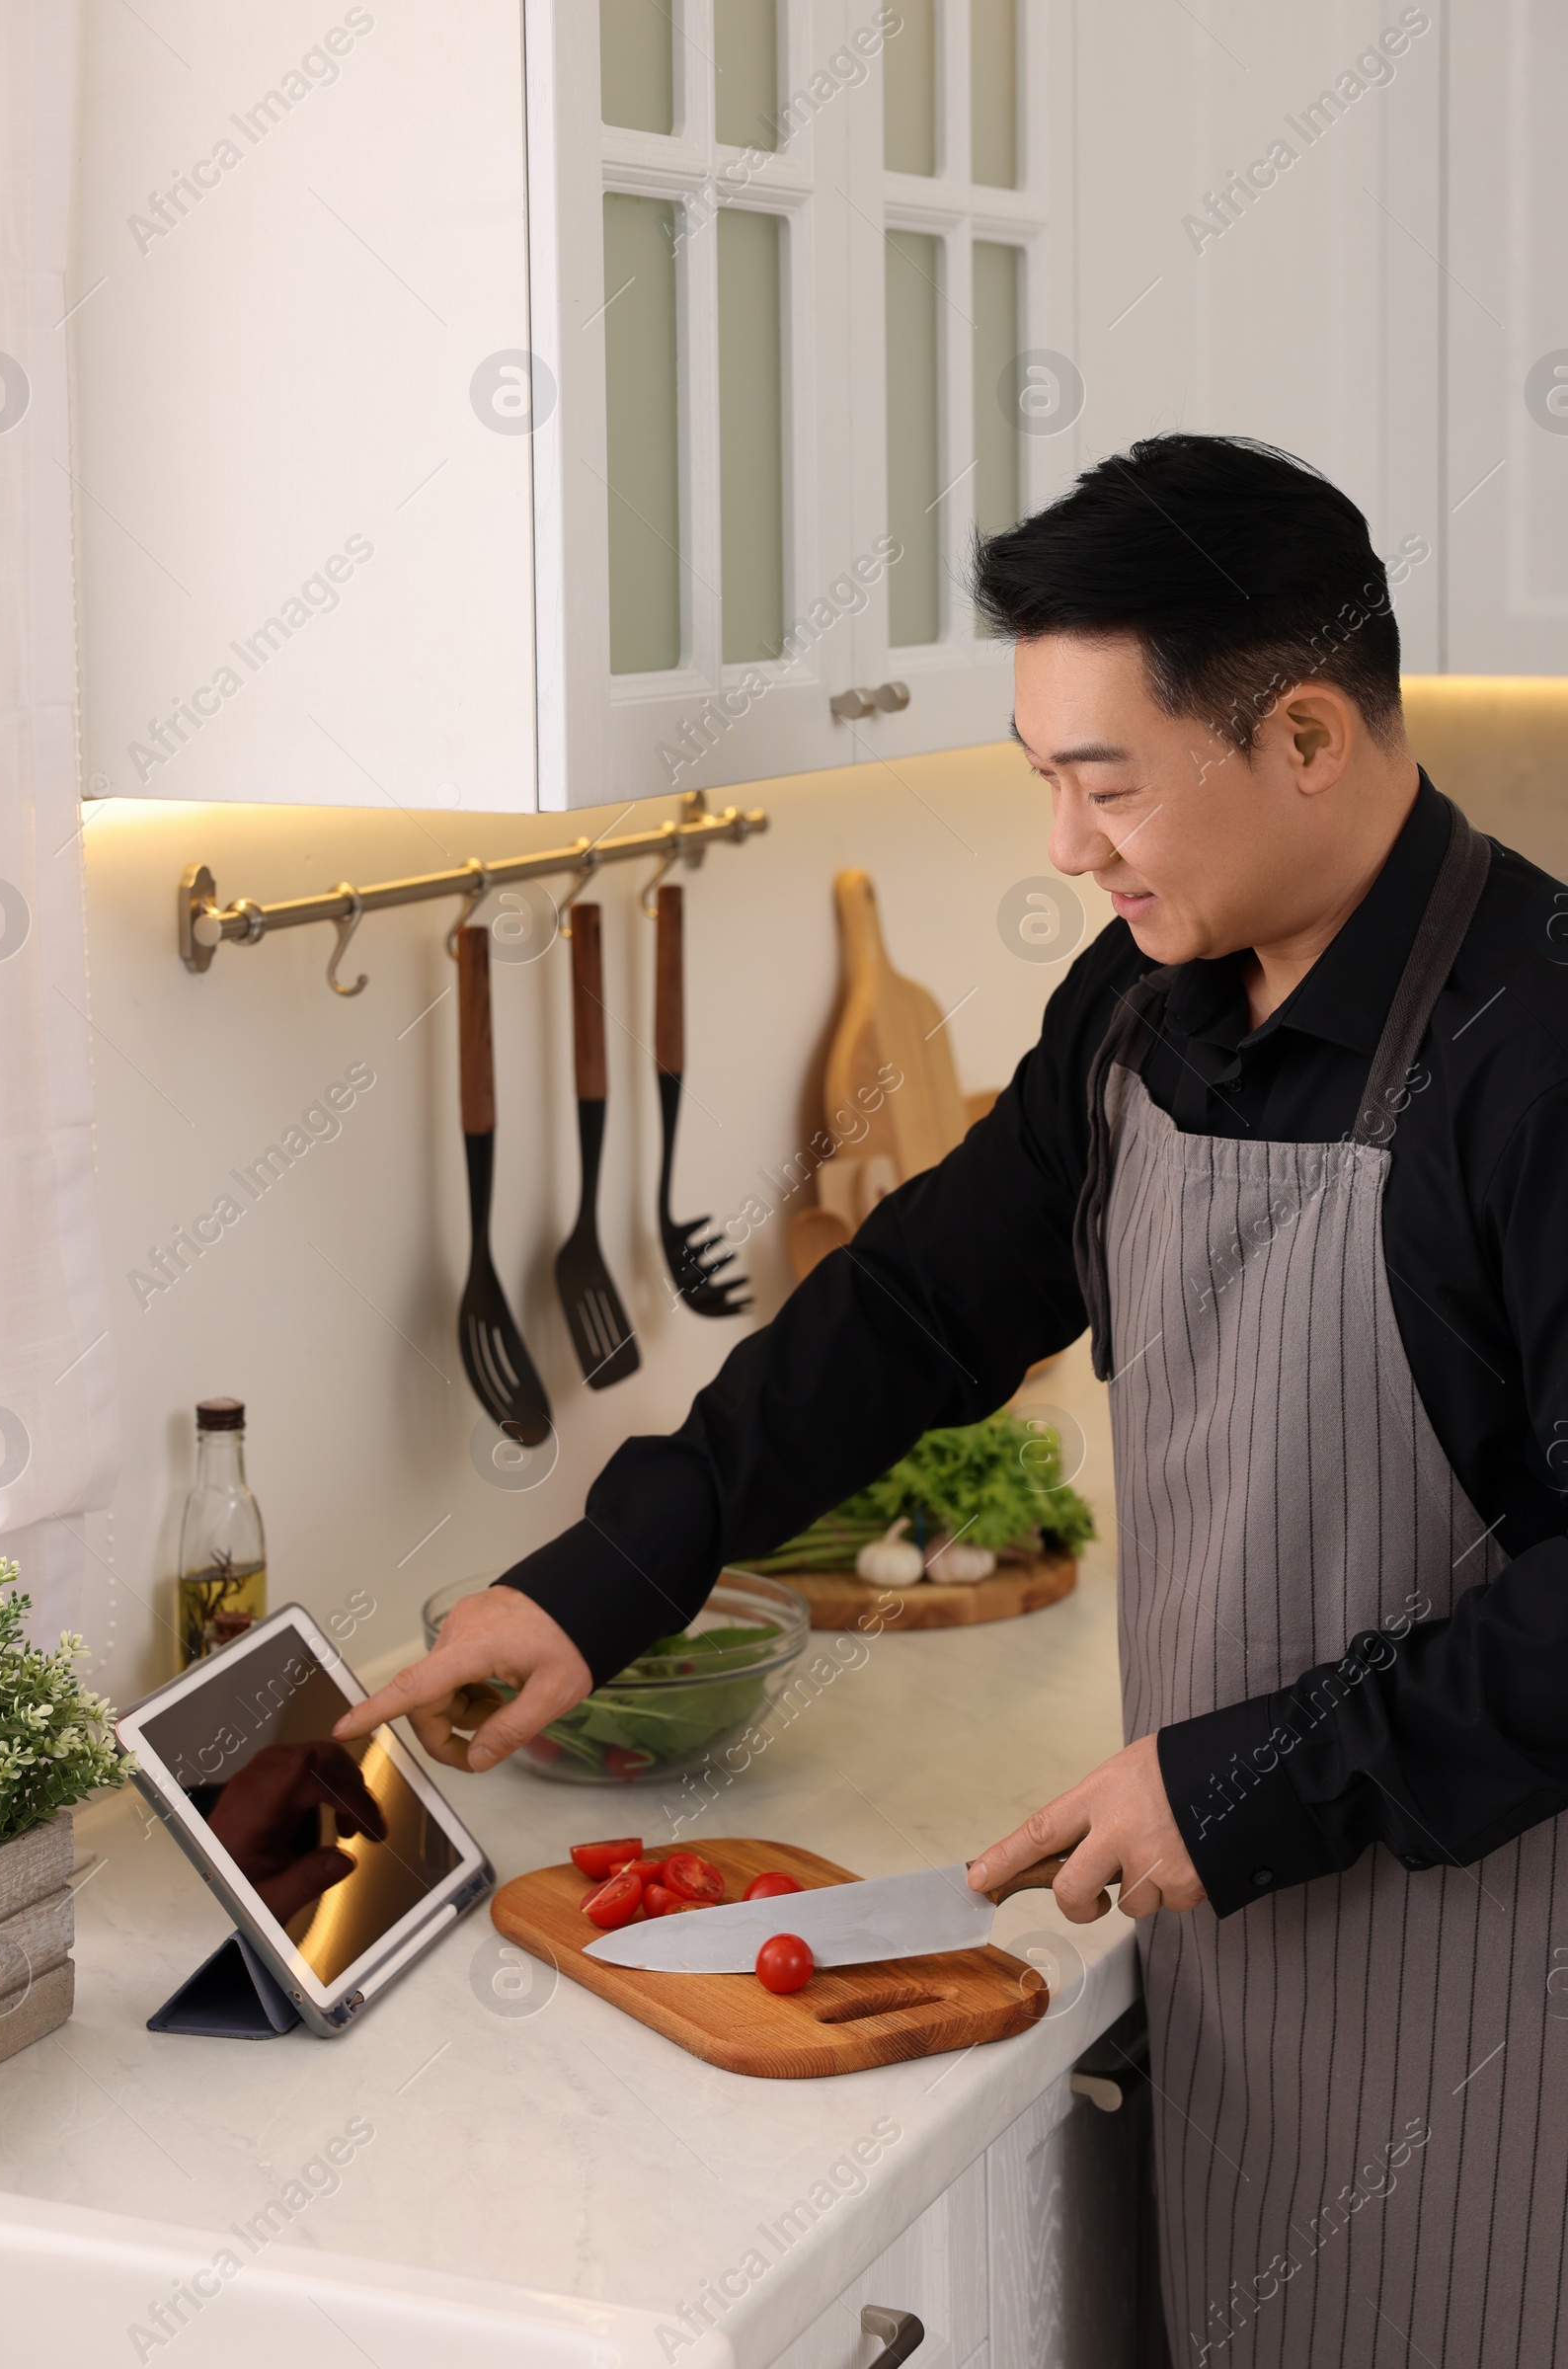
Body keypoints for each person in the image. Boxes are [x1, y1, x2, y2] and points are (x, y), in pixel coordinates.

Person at [338, 434, 1568, 2366]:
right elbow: (910, 1308)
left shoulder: (1537, 1050)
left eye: (1103, 785)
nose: (1064, 848)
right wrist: (600, 1581)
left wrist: (1249, 1777)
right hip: (1247, 1971)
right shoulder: (1140, 1007)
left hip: (1501, 2001)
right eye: (1039, 782)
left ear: (1308, 737)